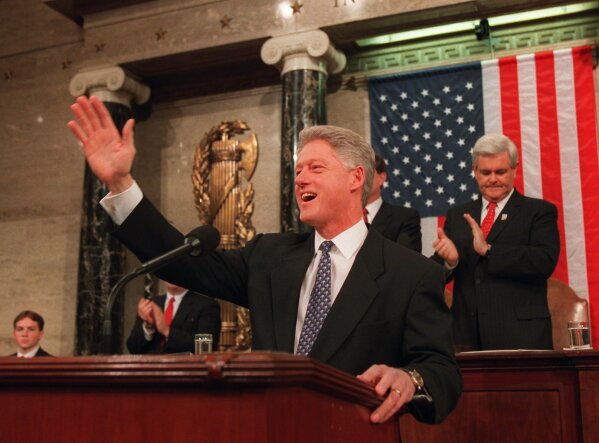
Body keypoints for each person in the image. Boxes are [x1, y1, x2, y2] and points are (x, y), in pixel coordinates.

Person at [68, 95, 461, 425]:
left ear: (356, 178)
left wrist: (409, 378)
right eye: (298, 170)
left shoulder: (410, 273)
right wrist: (120, 184)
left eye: (316, 168)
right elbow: (184, 264)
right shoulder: (270, 257)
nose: (301, 179)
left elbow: (441, 371)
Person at [432, 133, 560, 351]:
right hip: (466, 336)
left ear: (514, 169)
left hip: (521, 336)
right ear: (474, 172)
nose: (493, 179)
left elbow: (543, 261)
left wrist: (489, 250)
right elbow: (433, 274)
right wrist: (450, 262)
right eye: (485, 172)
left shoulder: (539, 212)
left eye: (500, 172)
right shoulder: (458, 214)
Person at [127, 280, 221, 354]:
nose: (170, 274)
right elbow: (133, 348)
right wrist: (148, 327)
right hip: (150, 373)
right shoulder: (151, 304)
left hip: (185, 373)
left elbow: (206, 345)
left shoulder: (206, 305)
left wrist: (167, 331)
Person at [365, 153, 422, 252]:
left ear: (381, 178)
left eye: (367, 173)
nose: (361, 178)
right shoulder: (342, 216)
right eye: (356, 173)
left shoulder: (405, 218)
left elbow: (407, 260)